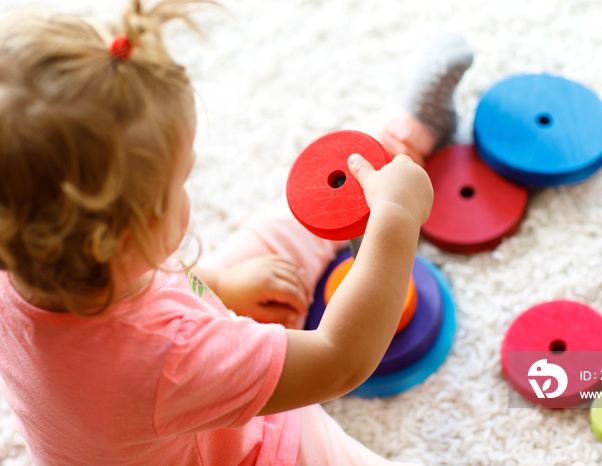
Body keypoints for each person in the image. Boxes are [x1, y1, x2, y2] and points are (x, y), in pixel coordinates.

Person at [0, 1, 471, 464]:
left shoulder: (33, 253)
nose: (189, 194)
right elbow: (339, 357)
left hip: (166, 367)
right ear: (123, 239)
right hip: (246, 448)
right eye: (179, 184)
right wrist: (396, 220)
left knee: (299, 218)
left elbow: (154, 283)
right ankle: (398, 168)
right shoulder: (170, 358)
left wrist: (220, 286)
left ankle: (400, 139)